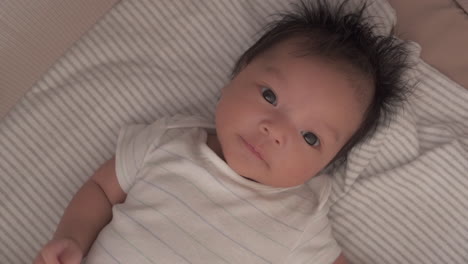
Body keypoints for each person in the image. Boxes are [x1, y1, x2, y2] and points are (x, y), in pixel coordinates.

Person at [34, 0, 409, 263]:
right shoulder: (169, 140)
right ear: (237, 73)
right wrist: (71, 237)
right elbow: (101, 189)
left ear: (325, 164)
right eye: (269, 95)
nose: (274, 130)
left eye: (310, 137)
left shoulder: (302, 219)